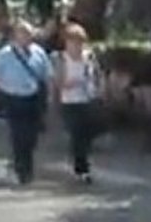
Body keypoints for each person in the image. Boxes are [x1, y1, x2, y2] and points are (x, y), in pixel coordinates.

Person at [0, 20, 52, 185]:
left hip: (33, 99)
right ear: (15, 36)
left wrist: (50, 97)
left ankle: (25, 164)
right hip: (13, 99)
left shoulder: (39, 53)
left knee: (31, 136)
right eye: (22, 33)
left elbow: (47, 76)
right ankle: (23, 170)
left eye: (29, 34)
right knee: (18, 135)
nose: (26, 37)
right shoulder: (5, 54)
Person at [55, 23, 100, 183]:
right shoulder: (62, 59)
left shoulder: (89, 56)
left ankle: (82, 162)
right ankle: (82, 169)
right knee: (77, 134)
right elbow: (58, 83)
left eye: (79, 42)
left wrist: (96, 86)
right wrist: (70, 83)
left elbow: (96, 75)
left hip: (87, 99)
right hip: (69, 101)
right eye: (72, 42)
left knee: (86, 135)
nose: (76, 46)